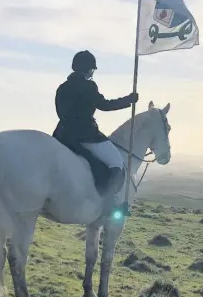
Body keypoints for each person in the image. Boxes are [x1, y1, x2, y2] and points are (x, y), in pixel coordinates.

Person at [52, 50, 139, 218]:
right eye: (92, 69)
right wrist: (128, 100)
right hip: (87, 135)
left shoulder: (62, 87)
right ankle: (109, 204)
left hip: (62, 135)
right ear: (88, 69)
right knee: (116, 164)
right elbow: (104, 105)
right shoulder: (89, 86)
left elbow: (60, 112)